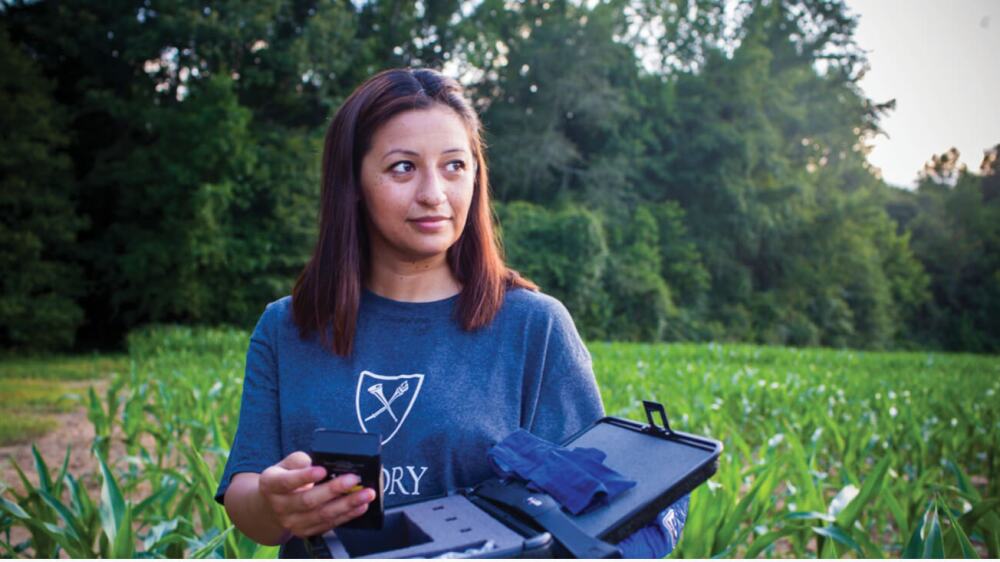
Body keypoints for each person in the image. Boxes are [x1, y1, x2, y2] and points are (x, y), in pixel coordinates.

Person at [214, 68, 686, 558]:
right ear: (351, 182)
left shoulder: (533, 327)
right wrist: (276, 503)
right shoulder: (287, 327)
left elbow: (584, 511)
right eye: (403, 167)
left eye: (454, 166)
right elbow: (249, 502)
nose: (434, 194)